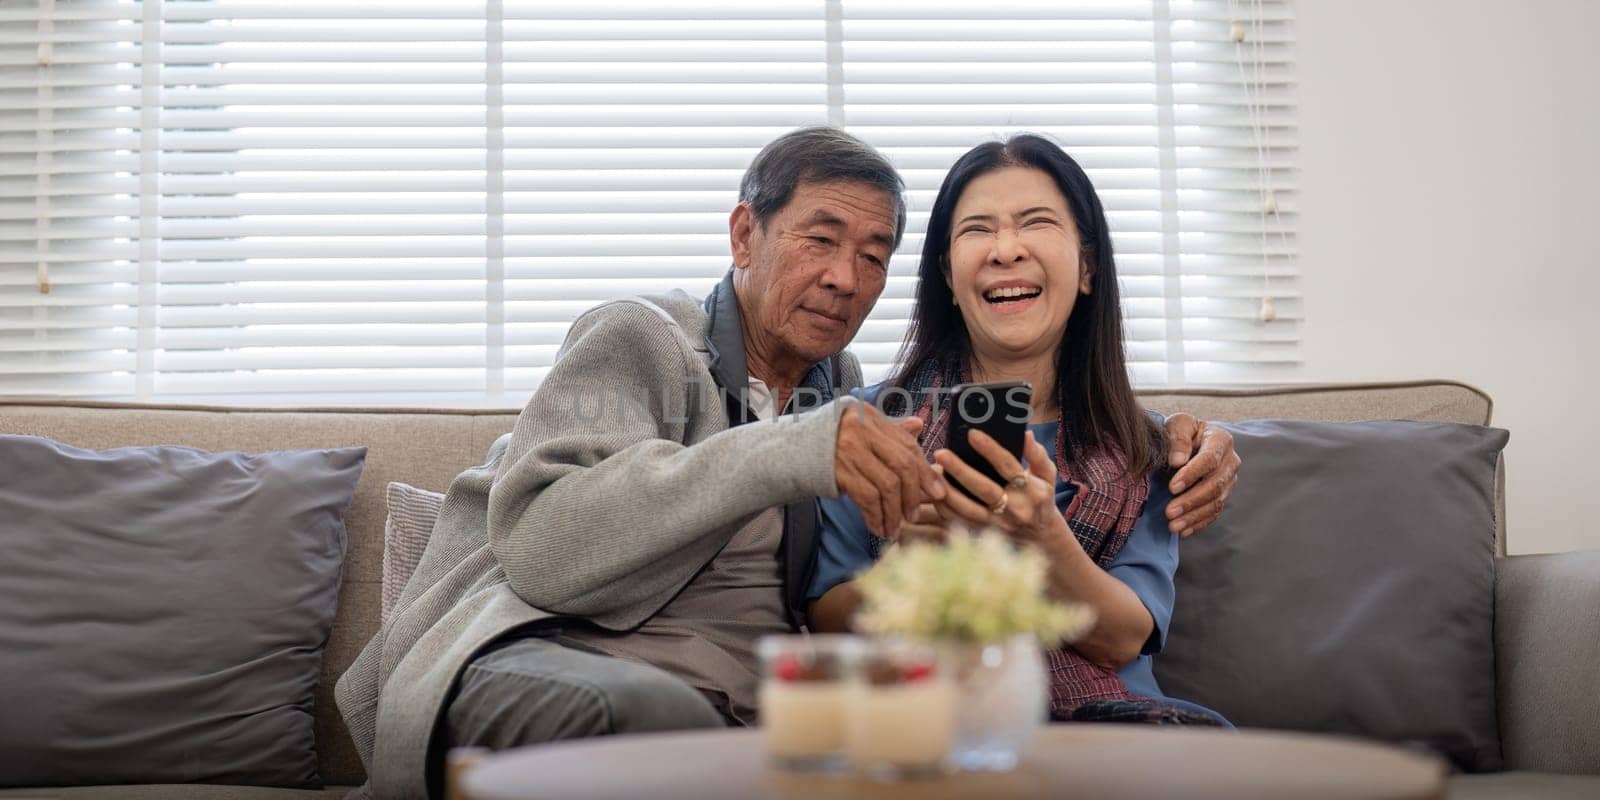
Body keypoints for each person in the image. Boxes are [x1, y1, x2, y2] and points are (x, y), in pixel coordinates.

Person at [336, 127, 1240, 799]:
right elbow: (541, 543)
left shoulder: (840, 391)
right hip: (550, 657)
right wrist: (798, 452)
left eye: (874, 254)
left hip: (750, 703)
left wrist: (1180, 434)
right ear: (743, 235)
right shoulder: (640, 337)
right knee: (661, 721)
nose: (847, 276)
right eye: (819, 238)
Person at [808, 134, 1228, 724]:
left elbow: (1123, 637)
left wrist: (1045, 539)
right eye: (977, 229)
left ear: (1086, 267)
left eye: (1035, 222)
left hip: (1115, 732)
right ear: (949, 278)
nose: (1006, 249)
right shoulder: (868, 423)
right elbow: (826, 619)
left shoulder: (1149, 451)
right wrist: (910, 564)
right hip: (930, 724)